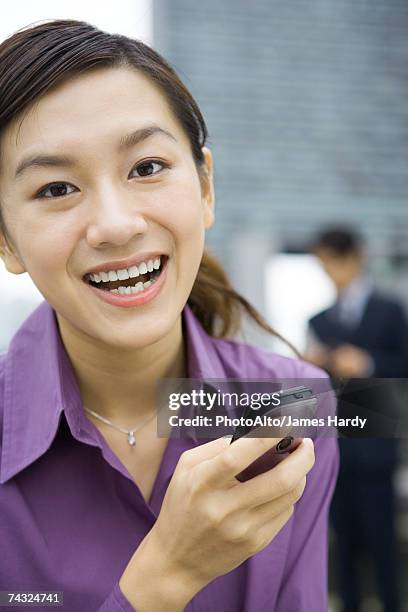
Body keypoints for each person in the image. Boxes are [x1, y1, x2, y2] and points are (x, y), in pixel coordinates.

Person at [0, 20, 338, 612]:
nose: (116, 224)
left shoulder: (296, 402)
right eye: (56, 188)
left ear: (205, 186)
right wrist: (165, 576)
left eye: (147, 167)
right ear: (6, 241)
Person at [306, 225, 408, 612]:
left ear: (355, 259)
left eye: (332, 263)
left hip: (378, 446)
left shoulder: (389, 310)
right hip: (337, 446)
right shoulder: (320, 321)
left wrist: (368, 363)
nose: (329, 272)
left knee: (382, 546)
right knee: (342, 547)